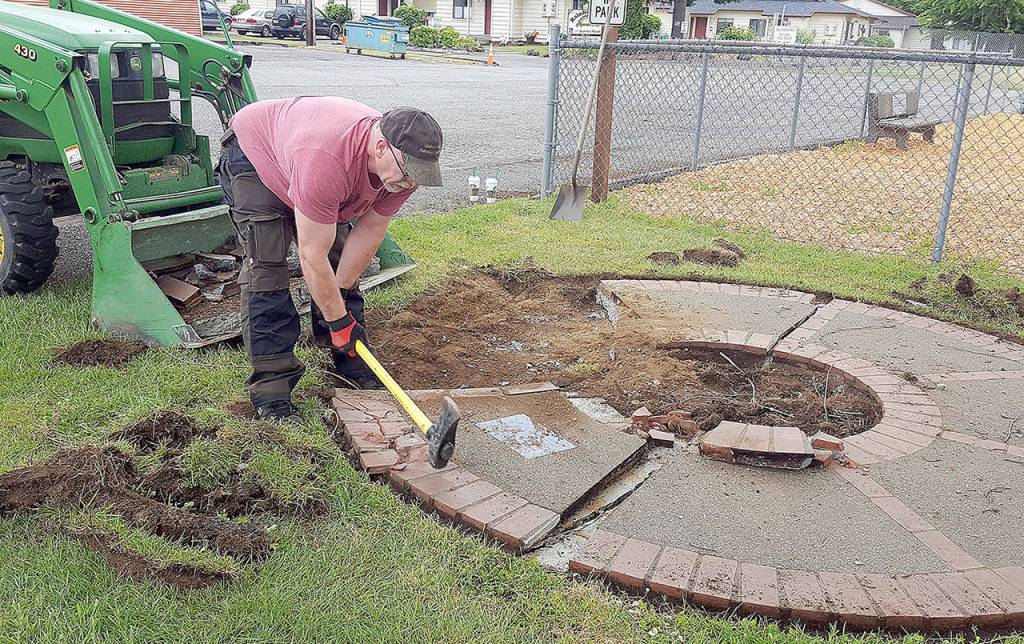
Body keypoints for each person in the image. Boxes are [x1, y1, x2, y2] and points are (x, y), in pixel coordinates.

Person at [217, 97, 443, 423]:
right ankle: (273, 393)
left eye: (420, 175)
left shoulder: (404, 171)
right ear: (380, 148)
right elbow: (311, 255)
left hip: (309, 167)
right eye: (409, 173)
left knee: (338, 264)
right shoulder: (327, 160)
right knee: (266, 269)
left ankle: (349, 360)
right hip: (255, 158)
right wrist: (337, 319)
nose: (412, 183)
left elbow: (371, 230)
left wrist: (338, 307)